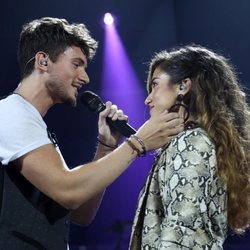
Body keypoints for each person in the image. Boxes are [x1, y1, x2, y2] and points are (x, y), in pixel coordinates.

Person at [0, 17, 184, 250]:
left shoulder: (35, 126)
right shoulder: (11, 112)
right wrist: (138, 143)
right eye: (76, 64)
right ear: (43, 61)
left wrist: (105, 149)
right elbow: (68, 191)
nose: (85, 77)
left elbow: (79, 214)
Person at [129, 45, 250, 249]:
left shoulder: (191, 142)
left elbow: (180, 228)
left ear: (184, 86)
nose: (148, 98)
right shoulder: (198, 140)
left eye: (155, 85)